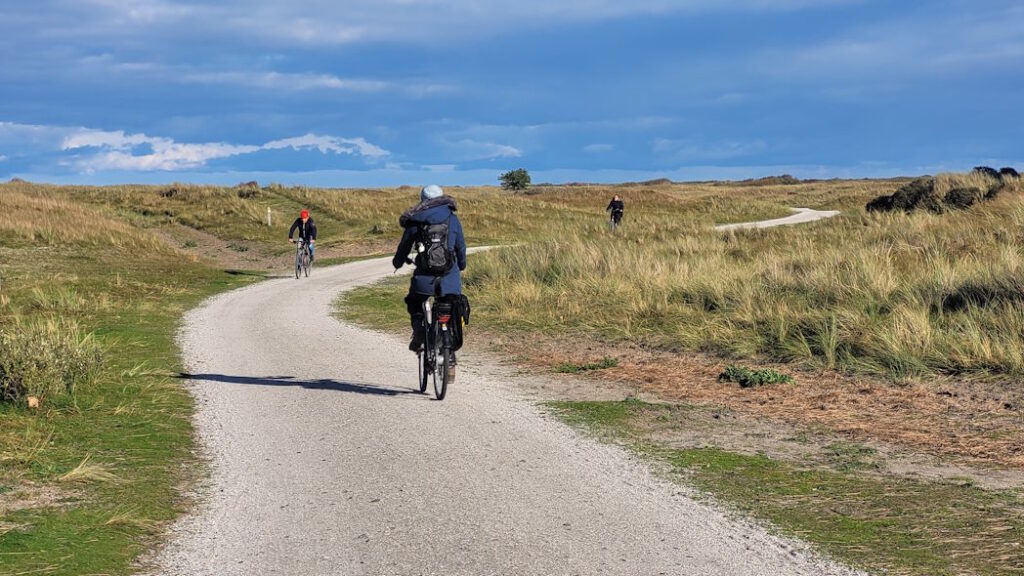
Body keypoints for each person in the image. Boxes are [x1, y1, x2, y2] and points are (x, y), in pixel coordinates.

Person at [392, 184, 466, 353]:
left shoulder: (415, 221)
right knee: (451, 306)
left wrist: (398, 263)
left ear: (423, 200)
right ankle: (450, 358)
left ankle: (419, 331)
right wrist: (461, 265)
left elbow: (404, 247)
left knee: (414, 301)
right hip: (450, 278)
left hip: (424, 280)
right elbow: (461, 247)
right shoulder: (453, 219)